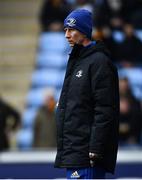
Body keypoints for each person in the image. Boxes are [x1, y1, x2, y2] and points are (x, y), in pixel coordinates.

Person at [54, 9, 120, 179]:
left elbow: (105, 109)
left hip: (88, 155)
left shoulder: (99, 62)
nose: (67, 35)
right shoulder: (76, 61)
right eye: (65, 30)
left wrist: (96, 149)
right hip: (74, 153)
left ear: (84, 31)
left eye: (71, 30)